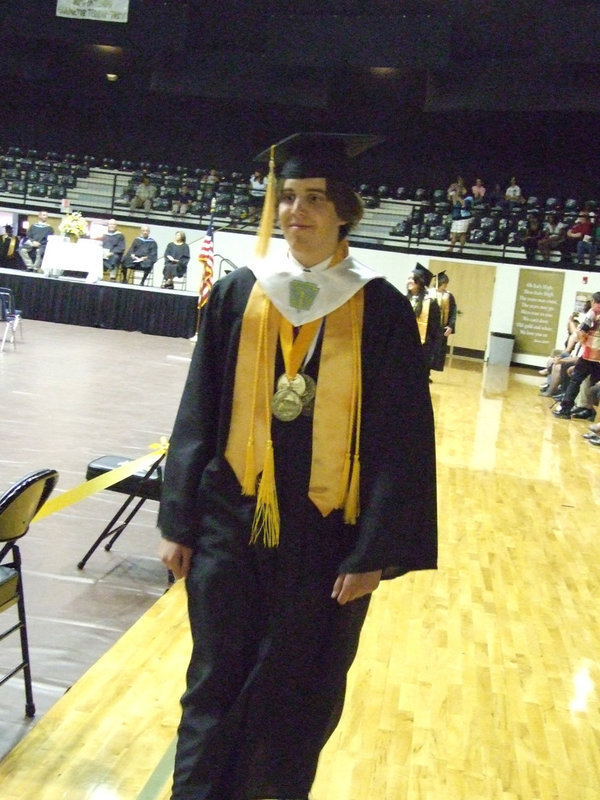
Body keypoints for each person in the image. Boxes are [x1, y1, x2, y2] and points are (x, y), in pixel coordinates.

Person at [157, 132, 438, 800]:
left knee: (297, 692)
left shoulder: (381, 310)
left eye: (314, 198)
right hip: (232, 522)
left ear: (344, 210)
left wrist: (375, 550)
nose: (296, 211)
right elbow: (199, 410)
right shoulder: (238, 294)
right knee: (213, 682)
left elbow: (403, 442)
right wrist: (179, 519)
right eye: (286, 198)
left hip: (325, 537)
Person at [554, 291, 600, 418]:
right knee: (591, 383)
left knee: (576, 381)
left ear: (593, 301)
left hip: (590, 355)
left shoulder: (593, 312)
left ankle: (565, 410)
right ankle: (587, 410)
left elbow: (581, 332)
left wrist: (583, 340)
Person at [406, 262, 442, 376]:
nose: (409, 281)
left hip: (423, 347)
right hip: (405, 345)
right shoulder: (404, 299)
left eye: (413, 279)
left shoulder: (430, 302)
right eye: (408, 278)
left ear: (420, 282)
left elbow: (435, 329)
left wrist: (433, 352)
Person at [430, 271, 457, 372]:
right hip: (429, 328)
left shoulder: (449, 296)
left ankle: (430, 371)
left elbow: (453, 312)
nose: (445, 286)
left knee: (438, 351)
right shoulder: (429, 293)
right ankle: (425, 373)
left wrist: (450, 326)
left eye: (446, 284)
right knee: (428, 350)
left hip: (441, 327)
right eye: (444, 283)